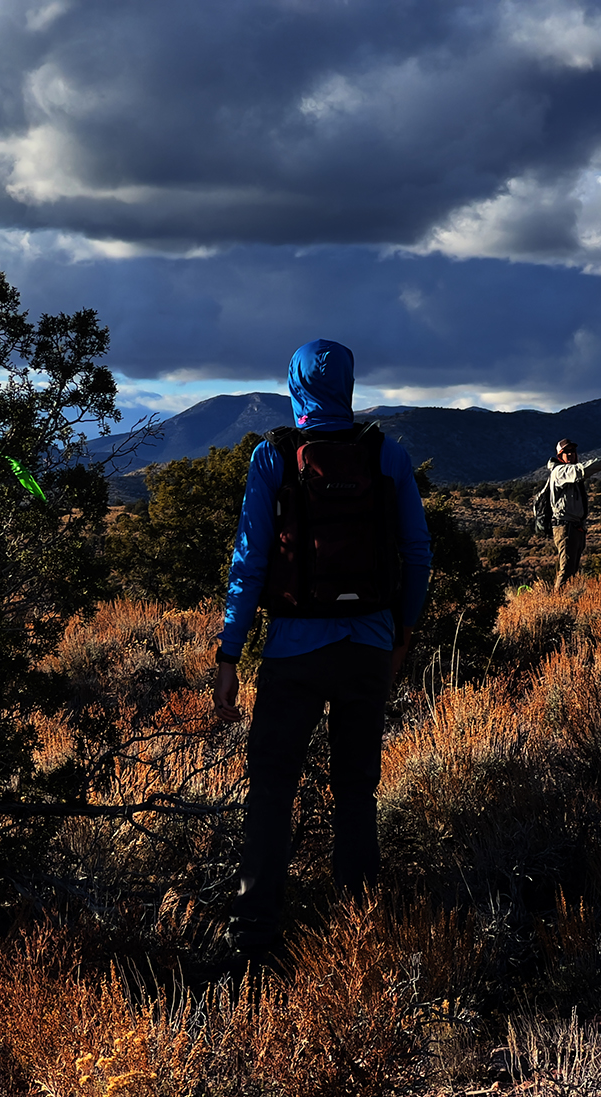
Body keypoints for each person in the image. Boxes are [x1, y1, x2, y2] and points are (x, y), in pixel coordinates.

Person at [212, 339, 432, 957]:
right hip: (368, 645)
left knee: (272, 788)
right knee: (356, 788)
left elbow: (249, 563)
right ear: (351, 386)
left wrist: (230, 655)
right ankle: (356, 932)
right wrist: (402, 636)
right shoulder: (388, 454)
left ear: (294, 384)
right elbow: (418, 556)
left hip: (291, 652)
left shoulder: (272, 457)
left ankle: (254, 934)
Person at [545, 438, 601, 588]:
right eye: (566, 452)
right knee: (567, 569)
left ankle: (566, 602)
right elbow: (581, 470)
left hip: (575, 526)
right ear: (559, 456)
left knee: (572, 569)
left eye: (572, 451)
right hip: (565, 527)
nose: (570, 454)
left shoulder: (567, 472)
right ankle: (557, 603)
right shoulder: (560, 472)